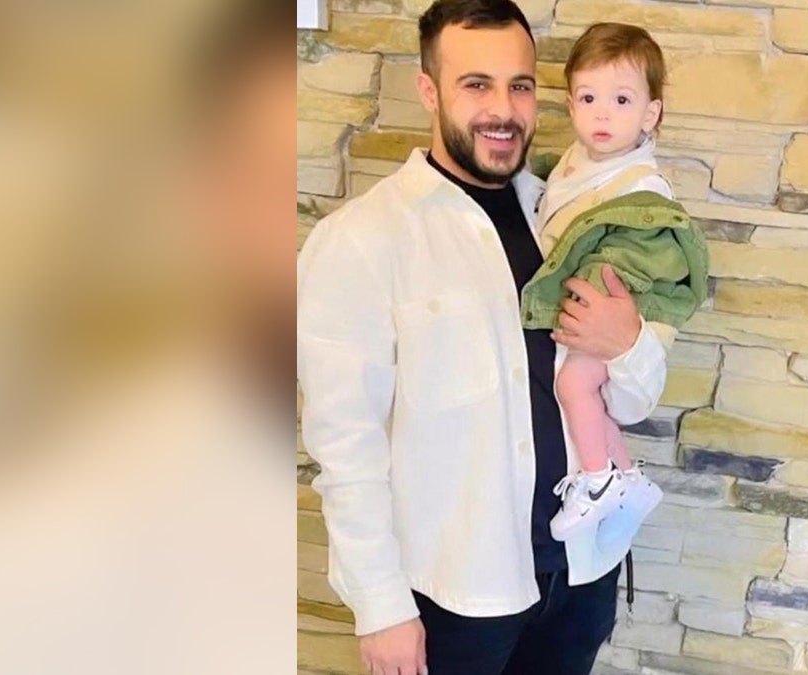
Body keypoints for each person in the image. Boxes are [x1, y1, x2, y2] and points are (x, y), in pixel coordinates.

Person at [295, 1, 669, 674]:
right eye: (477, 85)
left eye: (520, 85)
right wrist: (381, 607)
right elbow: (345, 448)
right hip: (458, 596)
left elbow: (634, 399)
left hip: (581, 573)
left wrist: (629, 341)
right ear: (430, 90)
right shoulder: (361, 240)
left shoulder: (565, 215)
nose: (504, 108)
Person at [525, 23, 708, 546]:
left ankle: (599, 479)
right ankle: (626, 476)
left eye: (622, 99)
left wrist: (601, 307)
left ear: (650, 113)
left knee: (575, 385)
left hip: (614, 305)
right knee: (588, 398)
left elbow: (633, 256)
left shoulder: (641, 187)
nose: (602, 113)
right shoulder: (576, 161)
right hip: (591, 308)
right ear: (570, 102)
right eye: (588, 97)